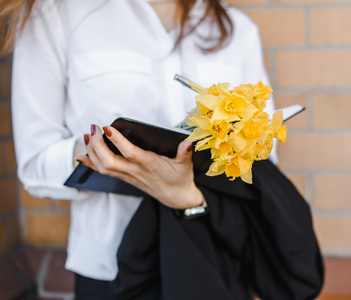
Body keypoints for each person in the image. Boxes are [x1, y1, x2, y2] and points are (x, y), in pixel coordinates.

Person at [3, 0, 324, 298]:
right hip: (109, 270)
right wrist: (95, 153)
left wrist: (187, 193)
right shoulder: (58, 13)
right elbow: (35, 166)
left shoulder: (238, 30)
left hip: (217, 262)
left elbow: (260, 165)